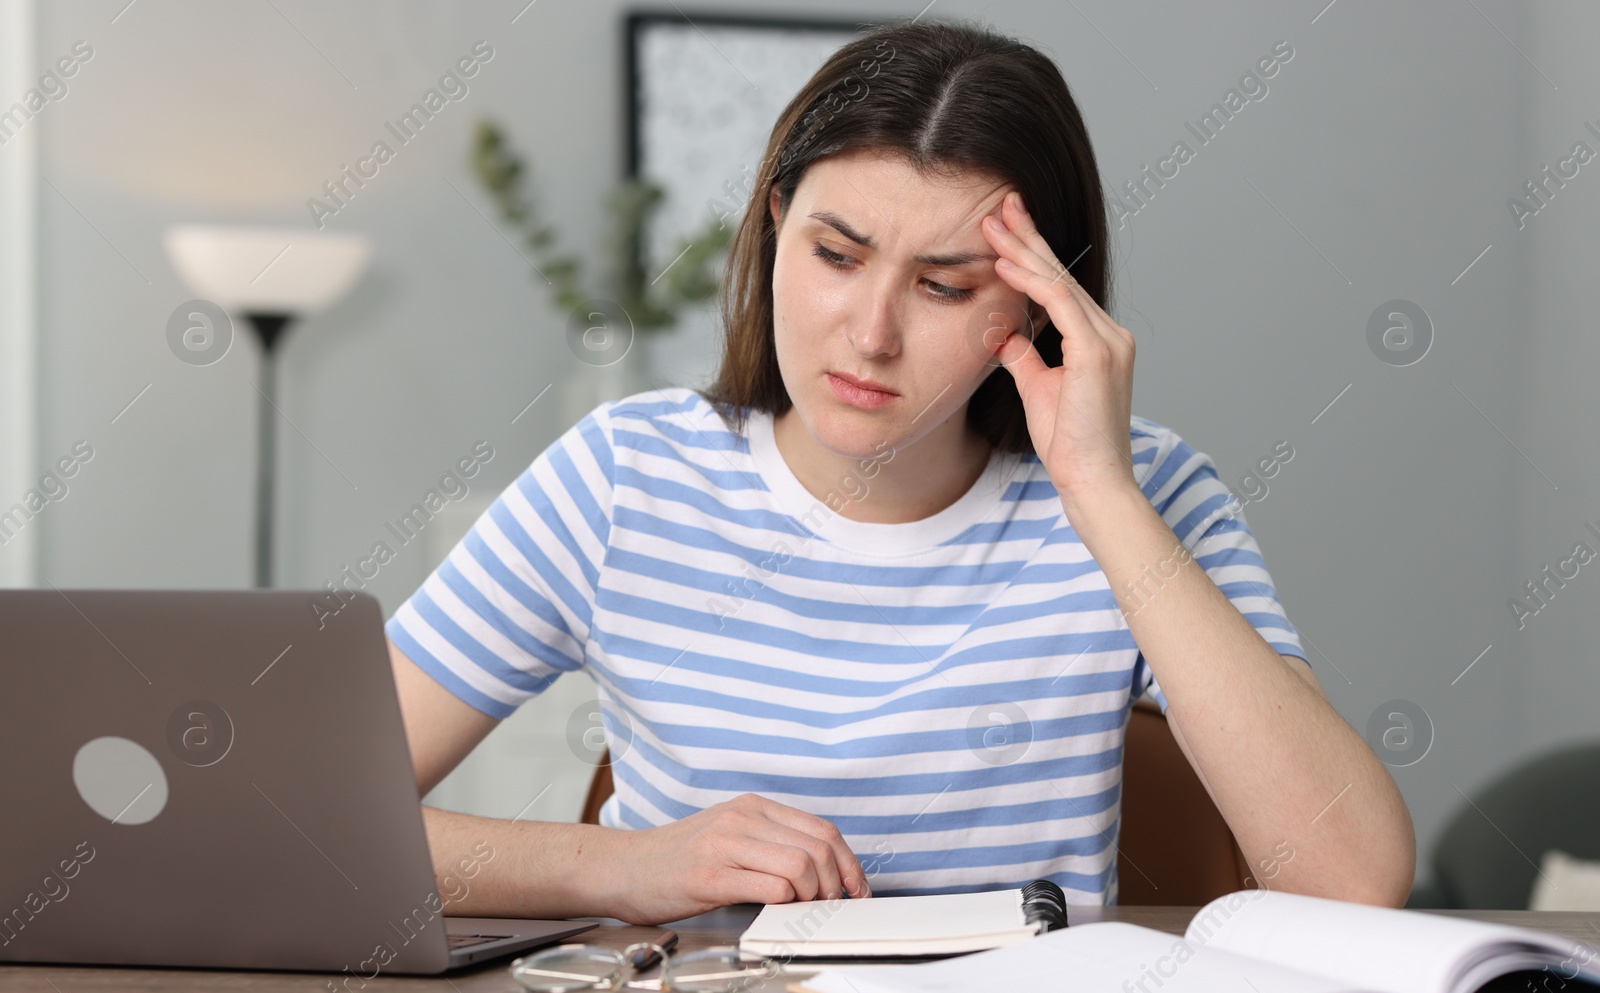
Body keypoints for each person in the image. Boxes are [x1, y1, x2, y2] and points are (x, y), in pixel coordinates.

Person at [387, 18, 1415, 926]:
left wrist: (1100, 493)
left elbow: (1350, 874)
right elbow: (300, 820)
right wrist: (622, 865)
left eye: (943, 285)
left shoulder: (1148, 491)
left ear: (1037, 301)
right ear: (776, 221)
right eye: (836, 256)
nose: (870, 334)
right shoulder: (623, 478)